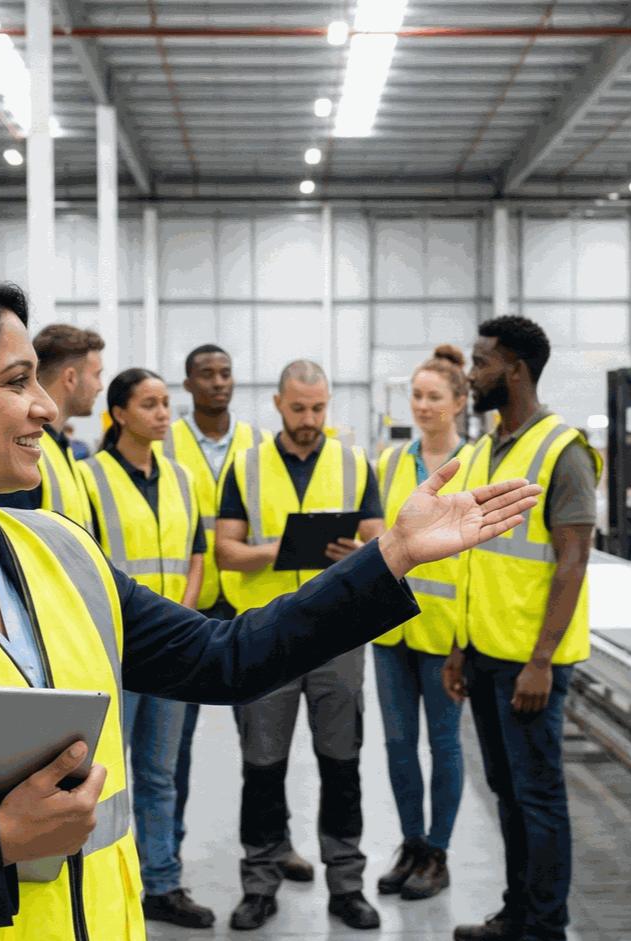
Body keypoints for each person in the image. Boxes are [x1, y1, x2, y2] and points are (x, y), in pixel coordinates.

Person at [0, 271, 541, 941]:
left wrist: (389, 556)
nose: (46, 406)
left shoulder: (58, 553)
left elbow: (228, 655)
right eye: (15, 382)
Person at [214, 359, 387, 932]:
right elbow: (225, 553)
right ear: (278, 405)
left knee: (343, 765)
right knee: (262, 768)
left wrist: (355, 556)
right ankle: (259, 884)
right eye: (298, 409)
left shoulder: (354, 463)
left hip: (338, 636)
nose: (309, 420)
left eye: (318, 408)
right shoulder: (245, 467)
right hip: (267, 635)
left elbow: (381, 545)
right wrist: (283, 550)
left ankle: (347, 885)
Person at [445, 315, 602, 941]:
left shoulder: (562, 451)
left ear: (514, 368)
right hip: (483, 650)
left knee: (538, 796)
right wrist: (460, 646)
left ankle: (545, 926)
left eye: (480, 362)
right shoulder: (484, 449)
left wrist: (541, 660)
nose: (470, 374)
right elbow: (476, 557)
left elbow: (573, 560)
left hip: (530, 662)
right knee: (508, 790)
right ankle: (516, 913)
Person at [153, 344, 312, 884]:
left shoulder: (256, 444)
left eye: (226, 373)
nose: (219, 383)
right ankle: (166, 856)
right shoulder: (167, 440)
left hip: (248, 597)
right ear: (188, 383)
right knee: (173, 744)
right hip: (188, 604)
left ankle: (277, 839)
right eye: (207, 375)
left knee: (263, 737)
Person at [76, 368, 215, 929]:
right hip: (112, 655)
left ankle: (161, 881)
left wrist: (180, 613)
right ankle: (106, 881)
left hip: (170, 649)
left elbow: (197, 552)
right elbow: (82, 563)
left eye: (166, 403)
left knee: (161, 773)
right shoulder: (89, 478)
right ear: (120, 414)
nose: (163, 413)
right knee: (106, 775)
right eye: (150, 404)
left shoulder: (183, 478)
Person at [371, 345, 474, 902]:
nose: (423, 405)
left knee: (444, 743)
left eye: (435, 396)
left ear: (459, 402)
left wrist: (466, 636)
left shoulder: (476, 463)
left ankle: (438, 851)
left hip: (444, 633)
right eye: (416, 395)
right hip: (390, 629)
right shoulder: (389, 462)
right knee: (397, 743)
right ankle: (411, 845)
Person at [0, 324, 103, 526]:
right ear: (70, 378)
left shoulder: (62, 450)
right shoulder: (25, 450)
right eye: (96, 375)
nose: (100, 386)